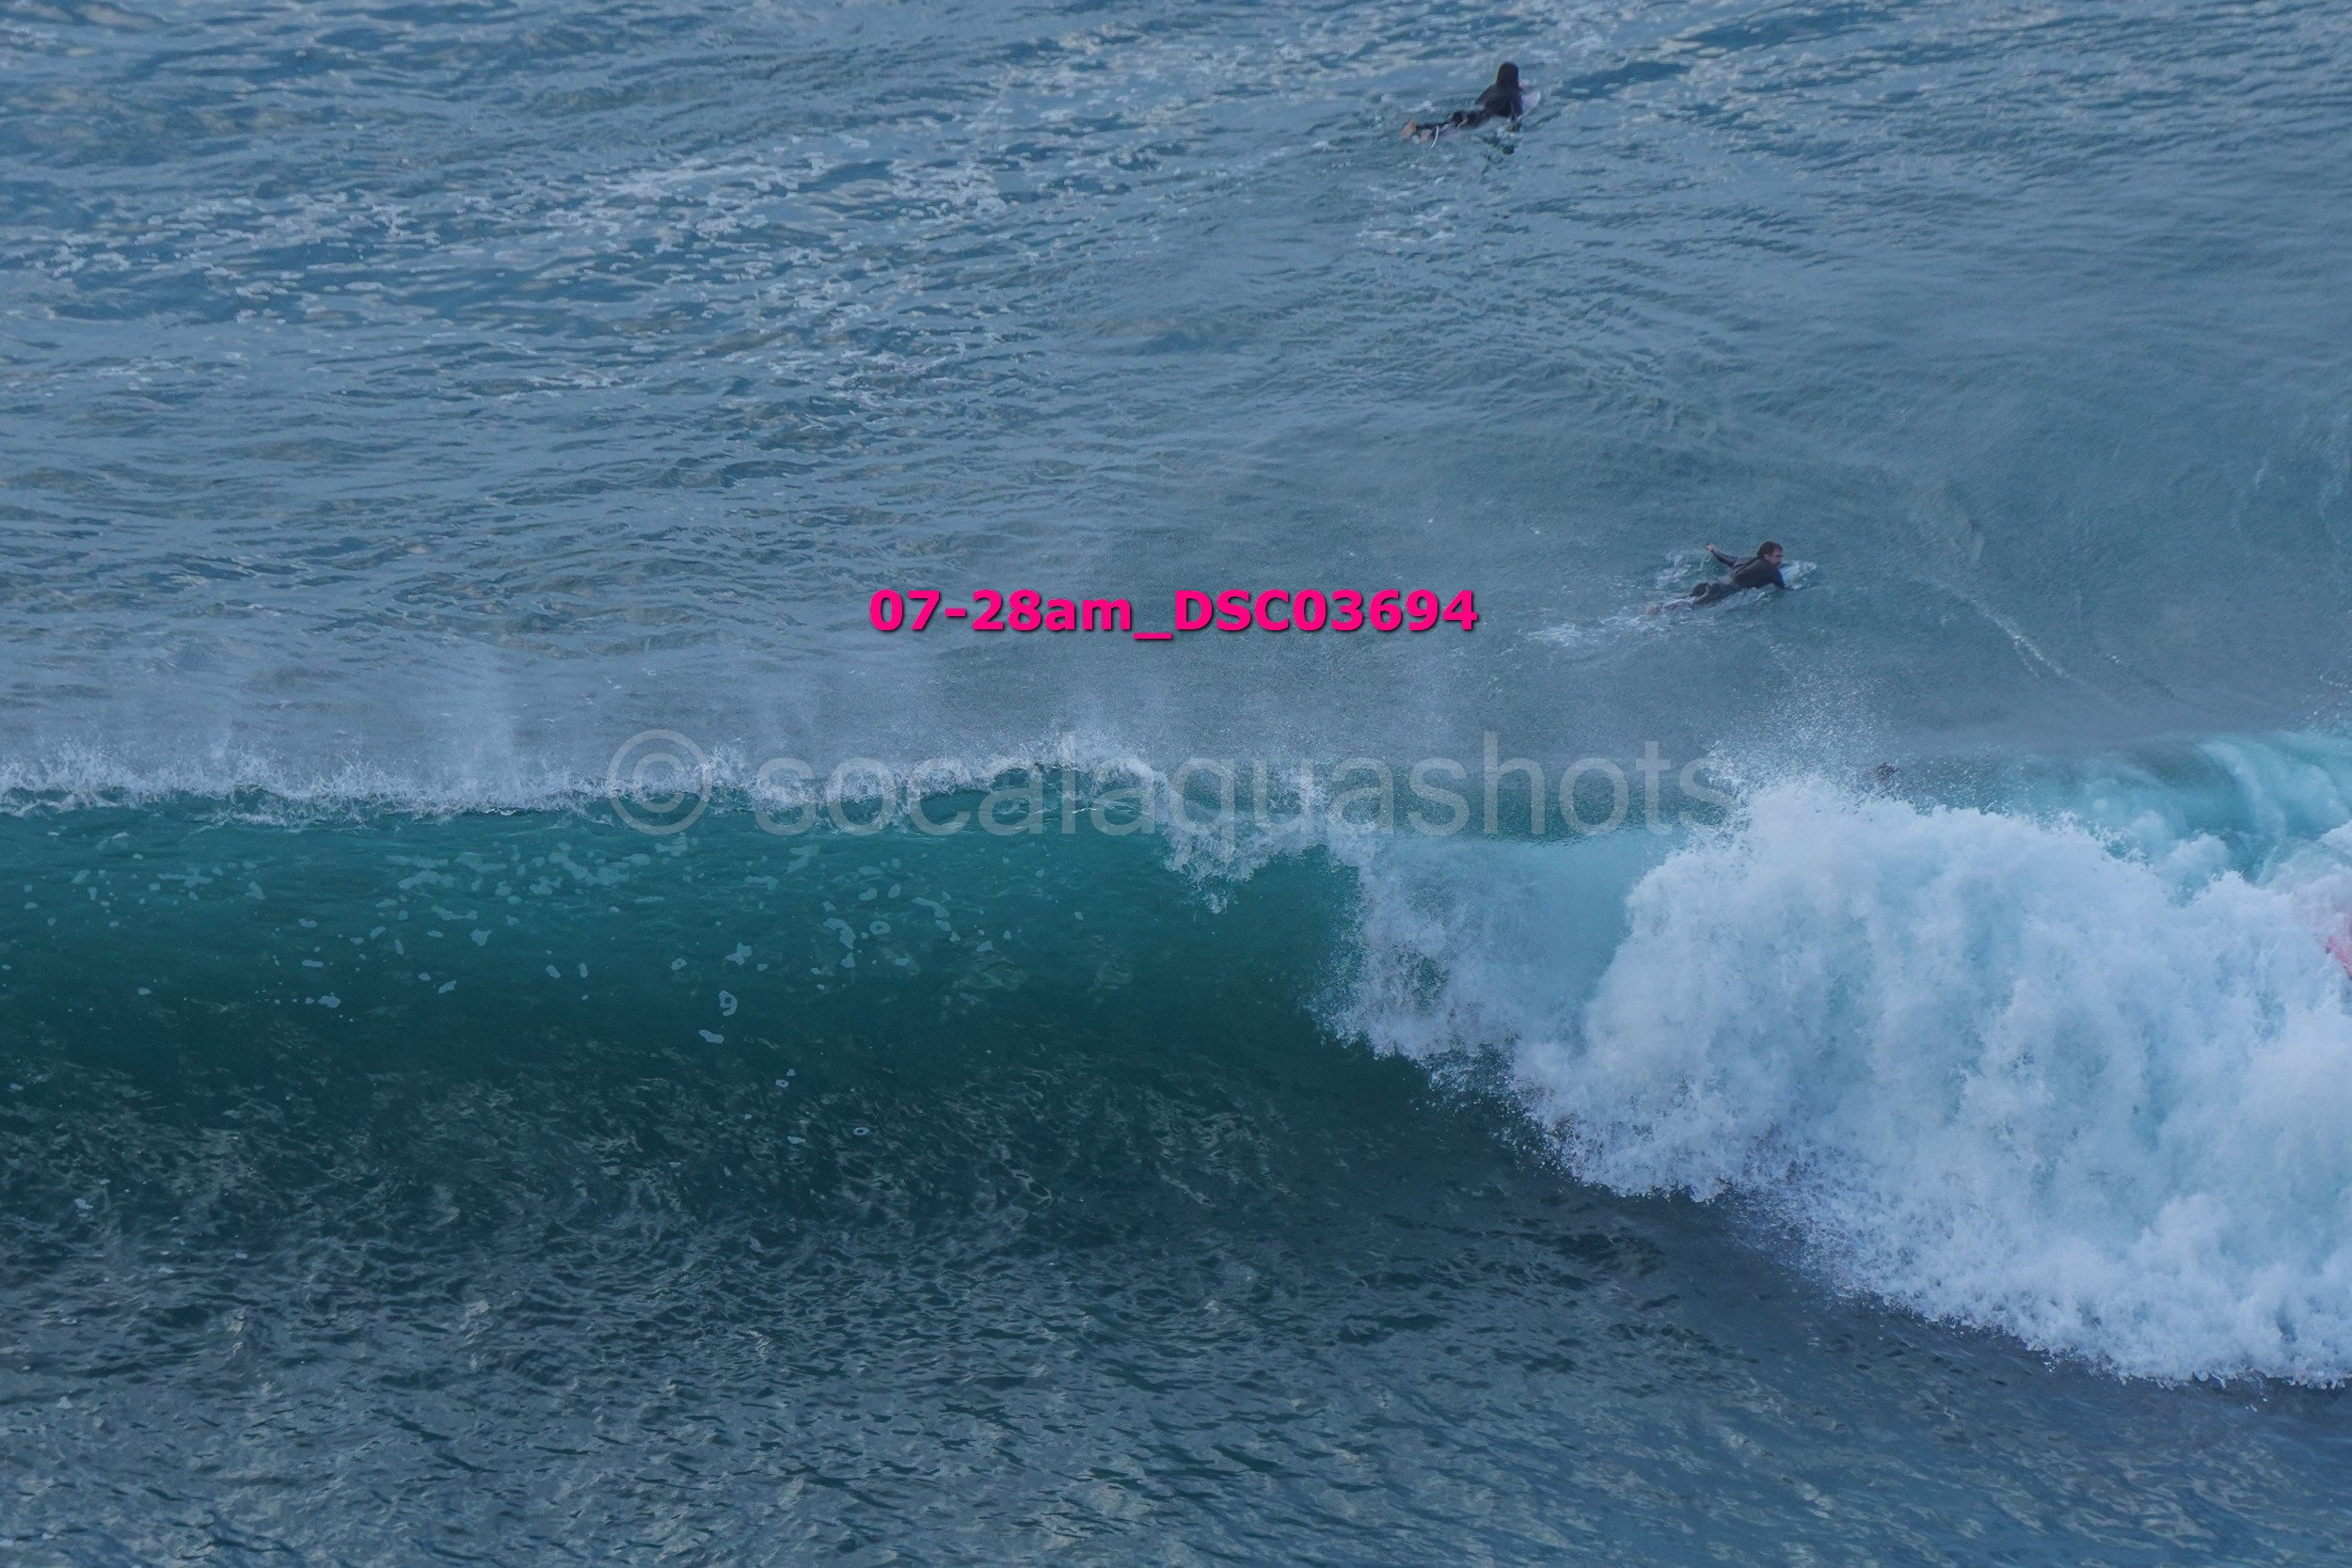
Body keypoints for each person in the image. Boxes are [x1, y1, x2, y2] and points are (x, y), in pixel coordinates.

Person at [1404, 62, 1524, 140]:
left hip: (1469, 113)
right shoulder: (1513, 94)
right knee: (1455, 131)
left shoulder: (1492, 88)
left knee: (1448, 124)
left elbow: (1479, 102)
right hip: (1482, 119)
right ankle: (1429, 135)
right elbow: (1517, 115)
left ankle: (1417, 127)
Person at [1688, 541, 1787, 605]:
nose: (1780, 560)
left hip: (1711, 583)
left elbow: (1725, 558)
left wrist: (1713, 550)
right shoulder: (1771, 569)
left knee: (1686, 601)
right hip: (1721, 590)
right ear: (1767, 556)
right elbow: (1782, 588)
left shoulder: (1745, 560)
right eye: (1778, 556)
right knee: (1689, 608)